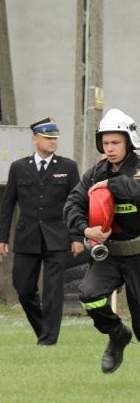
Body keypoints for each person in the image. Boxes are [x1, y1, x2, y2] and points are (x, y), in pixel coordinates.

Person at [63, 108, 140, 374]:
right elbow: (72, 205)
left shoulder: (138, 169)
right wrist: (86, 231)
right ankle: (117, 334)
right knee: (89, 295)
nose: (110, 148)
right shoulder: (95, 172)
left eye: (115, 142)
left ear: (129, 141)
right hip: (110, 255)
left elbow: (136, 190)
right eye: (105, 143)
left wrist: (110, 186)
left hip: (139, 255)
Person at [0, 117, 83, 346]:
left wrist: (76, 237)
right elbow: (7, 206)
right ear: (35, 139)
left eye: (55, 139)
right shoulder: (18, 167)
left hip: (57, 237)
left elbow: (76, 204)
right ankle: (43, 329)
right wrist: (2, 237)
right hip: (27, 237)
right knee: (23, 289)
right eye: (48, 138)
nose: (53, 142)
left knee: (53, 291)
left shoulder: (68, 167)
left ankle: (48, 340)